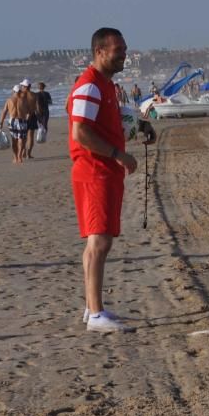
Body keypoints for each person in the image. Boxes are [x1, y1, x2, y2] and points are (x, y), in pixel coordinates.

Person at [68, 27, 155, 333]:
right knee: (99, 241)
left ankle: (94, 307)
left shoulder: (105, 85)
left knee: (100, 242)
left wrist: (139, 128)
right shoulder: (89, 85)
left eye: (125, 48)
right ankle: (94, 314)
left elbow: (109, 123)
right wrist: (118, 153)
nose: (124, 54)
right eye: (119, 50)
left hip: (105, 171)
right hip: (94, 171)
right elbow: (80, 132)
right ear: (100, 51)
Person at [0, 84, 31, 164]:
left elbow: (4, 111)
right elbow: (29, 111)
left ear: (13, 91)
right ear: (20, 91)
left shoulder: (9, 100)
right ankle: (20, 156)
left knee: (14, 140)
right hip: (22, 120)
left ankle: (15, 157)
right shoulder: (24, 100)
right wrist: (27, 116)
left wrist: (1, 123)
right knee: (21, 139)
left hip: (12, 121)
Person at [20, 78, 40, 159]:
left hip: (23, 117)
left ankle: (23, 152)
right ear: (30, 86)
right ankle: (28, 154)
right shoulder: (34, 95)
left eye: (22, 86)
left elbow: (19, 107)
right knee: (30, 136)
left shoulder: (21, 95)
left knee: (23, 136)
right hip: (32, 116)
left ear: (25, 86)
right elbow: (37, 108)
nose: (22, 87)